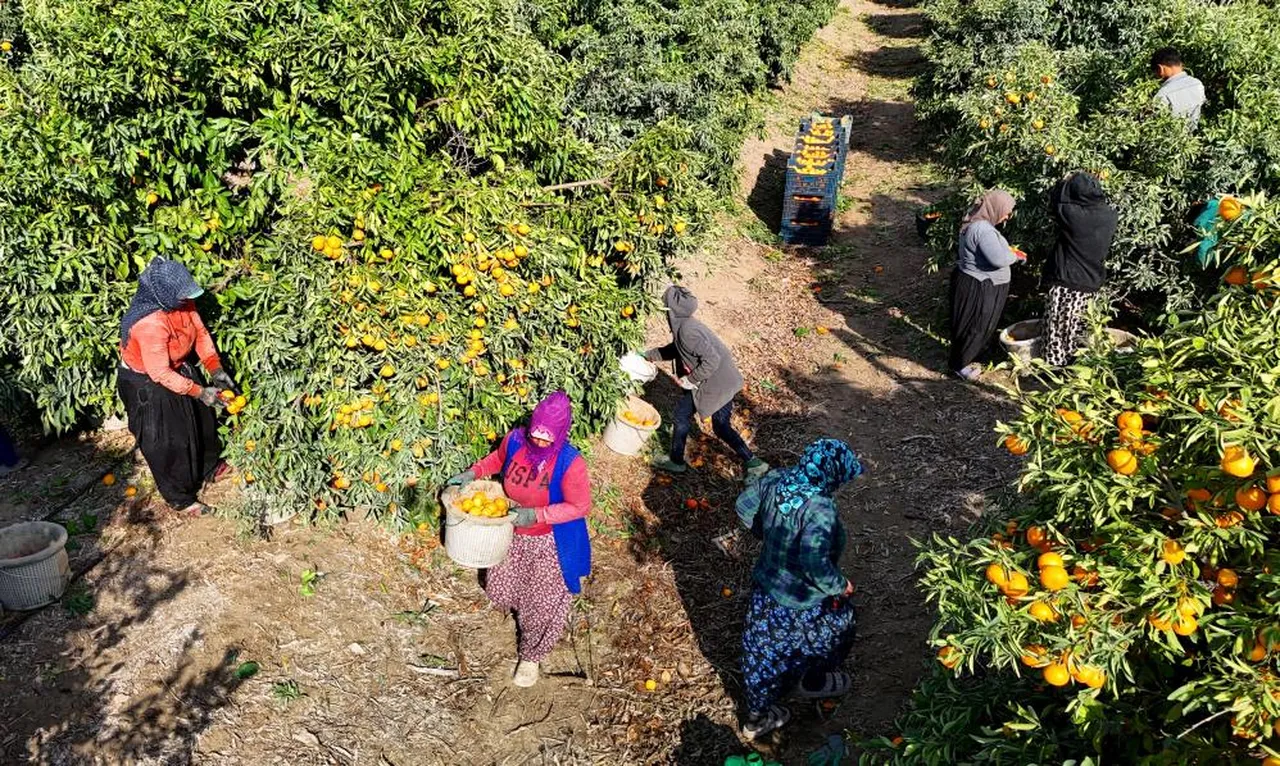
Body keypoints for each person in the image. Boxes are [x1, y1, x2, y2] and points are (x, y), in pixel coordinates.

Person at [447, 391, 592, 688]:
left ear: (560, 435)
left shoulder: (570, 463)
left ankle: (531, 657)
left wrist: (537, 515)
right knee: (503, 587)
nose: (538, 443)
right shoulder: (515, 440)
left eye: (546, 439)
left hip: (549, 540)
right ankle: (518, 612)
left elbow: (580, 506)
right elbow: (497, 459)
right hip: (510, 529)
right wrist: (473, 472)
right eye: (535, 435)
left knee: (542, 601)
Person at [735, 438, 863, 740]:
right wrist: (839, 585)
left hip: (767, 589)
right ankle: (814, 681)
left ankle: (757, 717)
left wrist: (764, 534)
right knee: (838, 630)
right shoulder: (819, 510)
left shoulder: (777, 480)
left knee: (762, 650)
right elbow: (814, 562)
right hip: (802, 599)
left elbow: (743, 506)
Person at [118, 258, 234, 515]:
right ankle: (181, 498)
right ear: (164, 294)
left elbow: (201, 334)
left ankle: (209, 467)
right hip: (147, 384)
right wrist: (200, 392)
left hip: (177, 369)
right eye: (183, 297)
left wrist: (215, 367)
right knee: (168, 441)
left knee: (202, 421)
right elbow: (159, 372)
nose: (186, 300)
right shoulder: (149, 323)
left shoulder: (182, 303)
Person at [644, 285, 769, 479]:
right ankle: (677, 460)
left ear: (671, 310)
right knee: (694, 418)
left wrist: (690, 379)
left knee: (713, 424)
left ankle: (753, 462)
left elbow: (711, 360)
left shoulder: (687, 331)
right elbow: (676, 349)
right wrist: (648, 355)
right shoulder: (686, 326)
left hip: (718, 382)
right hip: (717, 380)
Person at [1042, 172, 1118, 367]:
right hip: (1092, 280)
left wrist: (1064, 182)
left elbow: (1056, 202)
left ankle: (1056, 369)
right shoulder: (1109, 215)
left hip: (1068, 280)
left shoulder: (1075, 216)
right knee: (1080, 328)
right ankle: (1077, 368)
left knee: (1058, 328)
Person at [950, 189, 1024, 381]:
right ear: (995, 208)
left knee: (975, 323)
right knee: (976, 324)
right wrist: (1015, 256)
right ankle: (961, 365)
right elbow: (998, 259)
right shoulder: (982, 230)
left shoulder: (977, 223)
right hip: (982, 285)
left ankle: (968, 357)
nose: (1007, 217)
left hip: (979, 282)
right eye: (1006, 211)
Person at [1151, 47, 1205, 128]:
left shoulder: (1163, 95)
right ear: (1180, 64)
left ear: (1160, 69)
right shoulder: (1197, 84)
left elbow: (1153, 124)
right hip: (1192, 138)